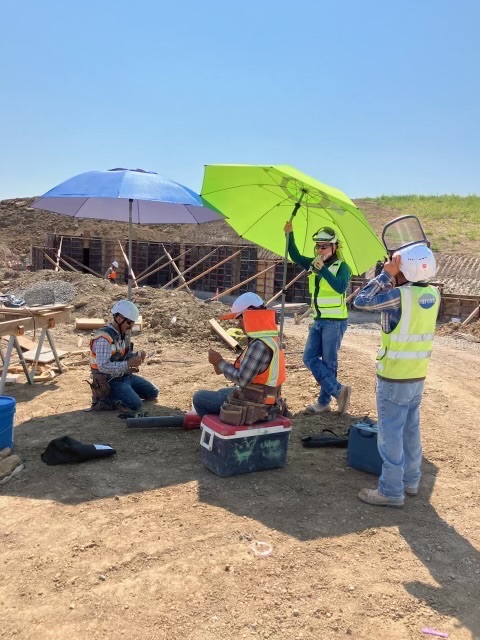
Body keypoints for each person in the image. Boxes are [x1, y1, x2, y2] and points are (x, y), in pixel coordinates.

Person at [354, 243, 440, 507]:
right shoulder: (432, 294)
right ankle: (410, 481)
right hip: (416, 375)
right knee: (410, 430)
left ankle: (391, 490)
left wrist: (385, 276)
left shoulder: (399, 297)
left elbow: (360, 300)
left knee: (390, 434)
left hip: (393, 376)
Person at [284, 221, 352, 415]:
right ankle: (339, 391)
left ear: (334, 247)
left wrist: (322, 269)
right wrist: (290, 235)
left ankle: (324, 403)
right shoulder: (314, 263)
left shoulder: (342, 267)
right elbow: (295, 256)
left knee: (329, 363)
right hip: (319, 320)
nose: (320, 250)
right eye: (318, 246)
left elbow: (340, 287)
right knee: (309, 357)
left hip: (335, 321)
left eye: (324, 246)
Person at [192, 292, 287, 424]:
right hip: (268, 399)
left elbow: (242, 379)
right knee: (222, 391)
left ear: (249, 317)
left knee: (199, 398)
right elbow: (257, 370)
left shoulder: (259, 345)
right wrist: (225, 365)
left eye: (240, 320)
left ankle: (225, 427)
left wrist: (219, 362)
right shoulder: (270, 338)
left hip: (258, 407)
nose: (239, 325)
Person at [88, 300, 158, 414]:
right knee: (136, 405)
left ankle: (126, 392)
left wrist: (136, 356)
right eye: (129, 323)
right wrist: (128, 364)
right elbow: (103, 367)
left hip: (124, 376)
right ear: (119, 319)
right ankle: (106, 399)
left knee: (153, 392)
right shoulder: (103, 338)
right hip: (110, 382)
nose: (131, 326)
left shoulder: (121, 335)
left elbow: (123, 356)